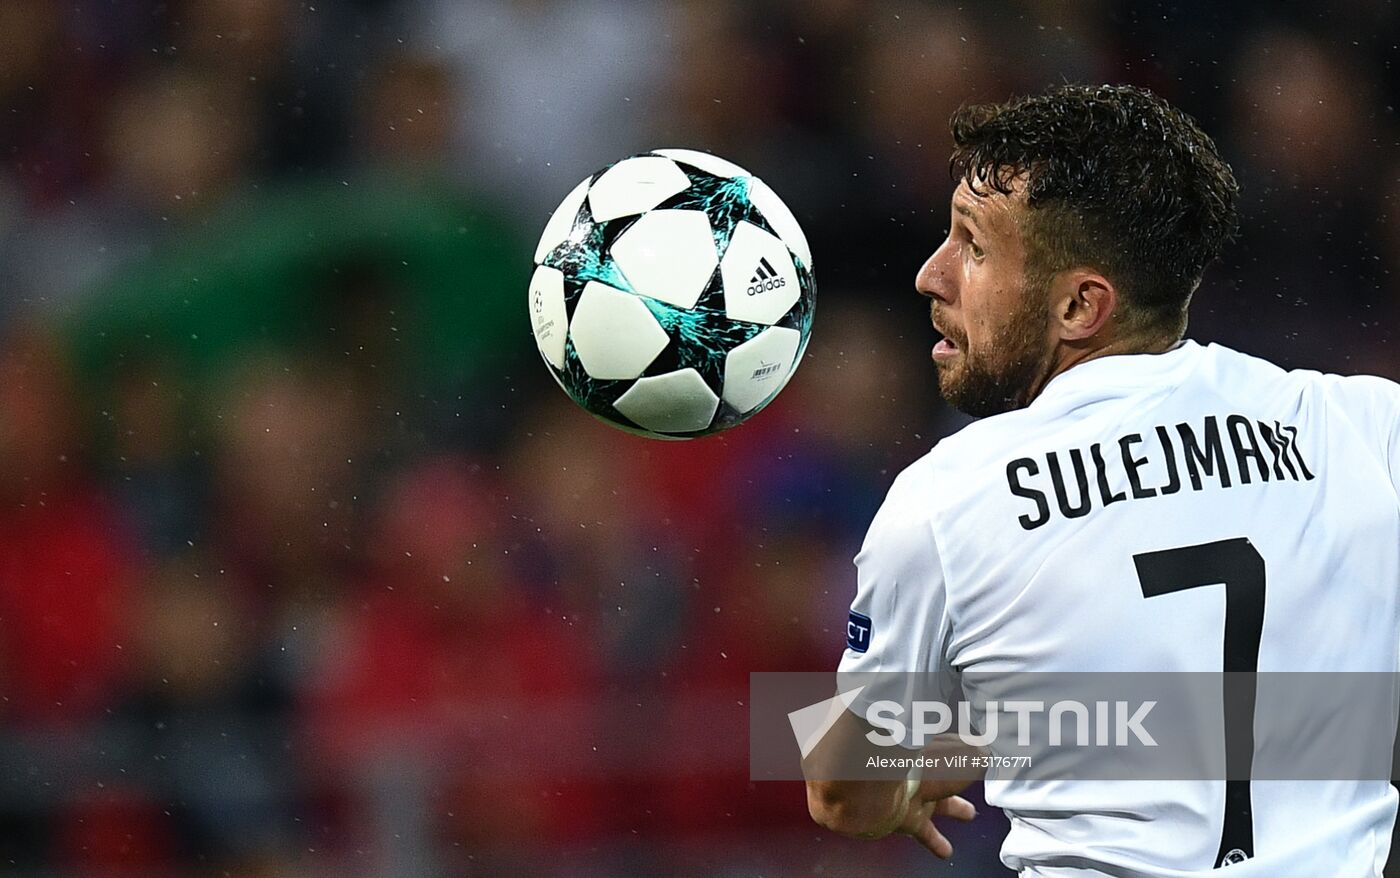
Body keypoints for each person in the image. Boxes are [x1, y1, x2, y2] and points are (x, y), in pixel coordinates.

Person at [803, 84, 1400, 876]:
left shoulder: (947, 498)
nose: (930, 275)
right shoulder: (1363, 428)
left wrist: (929, 764)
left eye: (972, 247)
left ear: (1081, 306)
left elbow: (841, 789)